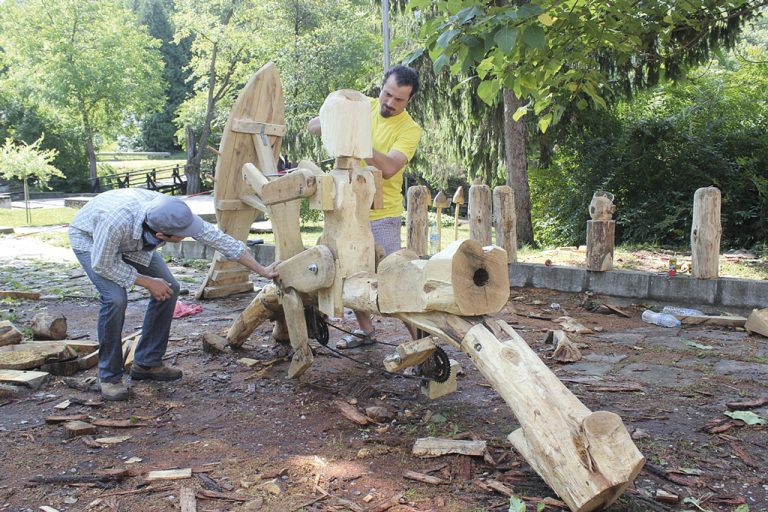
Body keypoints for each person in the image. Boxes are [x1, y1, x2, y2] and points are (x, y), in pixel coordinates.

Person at [68, 188, 279, 401]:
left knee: (170, 288)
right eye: (184, 234)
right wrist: (148, 282)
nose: (190, 233)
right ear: (161, 235)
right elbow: (103, 264)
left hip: (133, 241)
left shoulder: (171, 213)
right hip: (91, 239)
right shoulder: (115, 223)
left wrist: (262, 270)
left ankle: (147, 363)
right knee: (115, 299)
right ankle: (109, 377)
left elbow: (219, 240)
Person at [308, 64, 422, 349]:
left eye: (399, 100)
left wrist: (356, 139)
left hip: (382, 215)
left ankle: (423, 345)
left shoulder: (410, 129)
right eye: (387, 94)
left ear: (409, 100)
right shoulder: (361, 107)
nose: (390, 103)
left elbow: (391, 167)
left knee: (394, 278)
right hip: (346, 209)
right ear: (381, 86)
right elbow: (313, 125)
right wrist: (337, 120)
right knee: (347, 269)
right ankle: (366, 330)